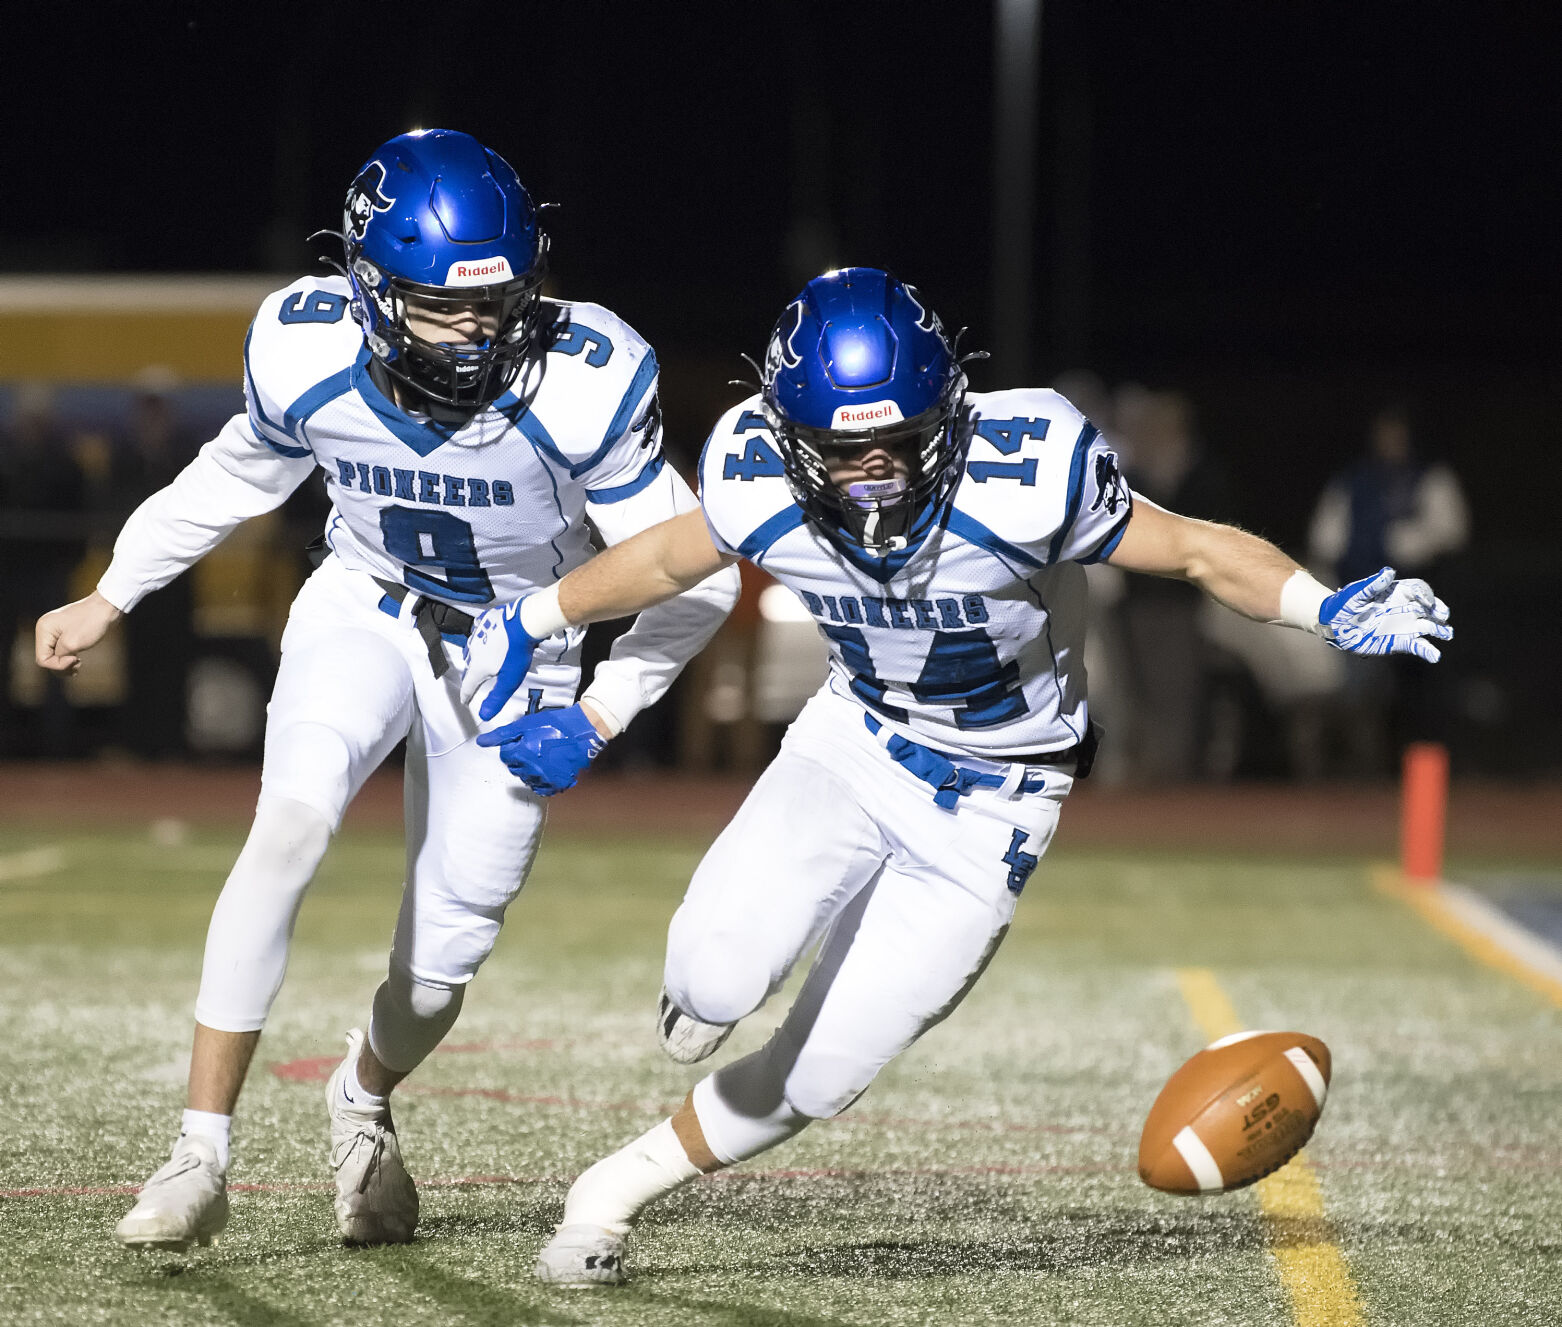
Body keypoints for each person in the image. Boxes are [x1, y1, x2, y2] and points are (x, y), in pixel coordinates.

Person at [456, 267, 1452, 1287]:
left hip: (995, 803)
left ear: (951, 412)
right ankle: (720, 973)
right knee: (713, 980)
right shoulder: (754, 469)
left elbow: (1193, 550)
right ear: (793, 437)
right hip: (852, 743)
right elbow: (674, 555)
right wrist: (534, 618)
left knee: (820, 1072)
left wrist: (1321, 608)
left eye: (899, 438)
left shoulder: (1030, 469)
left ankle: (607, 1193)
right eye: (845, 449)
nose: (876, 472)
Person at [34, 129, 738, 1252]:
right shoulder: (303, 345)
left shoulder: (584, 377)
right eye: (441, 306)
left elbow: (690, 575)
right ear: (366, 289)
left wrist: (599, 708)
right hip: (363, 605)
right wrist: (112, 591)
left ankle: (359, 1097)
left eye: (499, 300)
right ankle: (198, 1149)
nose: (478, 332)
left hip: (520, 644)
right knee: (289, 826)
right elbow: (231, 476)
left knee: (445, 952)